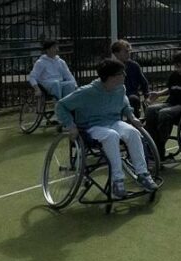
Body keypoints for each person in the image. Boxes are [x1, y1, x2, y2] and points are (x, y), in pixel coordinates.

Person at [55, 58, 159, 199]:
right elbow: (61, 106)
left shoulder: (120, 88)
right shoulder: (86, 92)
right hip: (91, 127)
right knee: (111, 136)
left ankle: (143, 174)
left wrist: (131, 117)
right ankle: (117, 181)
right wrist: (71, 126)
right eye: (121, 73)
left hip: (114, 121)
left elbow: (124, 104)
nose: (125, 75)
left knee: (133, 132)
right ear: (111, 77)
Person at [111, 39, 150, 117]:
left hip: (132, 94)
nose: (128, 54)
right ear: (116, 54)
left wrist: (147, 96)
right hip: (116, 95)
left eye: (129, 51)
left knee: (133, 99)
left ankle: (135, 123)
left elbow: (143, 83)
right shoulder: (111, 67)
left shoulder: (134, 66)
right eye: (125, 51)